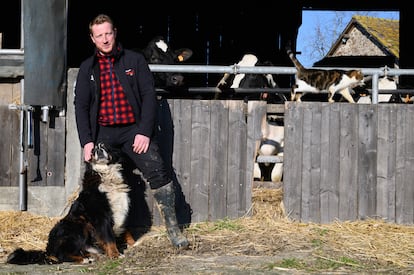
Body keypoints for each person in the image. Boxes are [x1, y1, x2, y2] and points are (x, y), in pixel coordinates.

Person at [73, 14, 189, 249]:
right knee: (97, 183)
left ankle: (174, 229)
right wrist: (86, 141)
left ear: (114, 32)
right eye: (99, 36)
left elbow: (148, 96)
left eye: (108, 33)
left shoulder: (134, 61)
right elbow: (81, 106)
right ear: (92, 39)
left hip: (133, 131)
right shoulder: (88, 68)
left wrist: (144, 132)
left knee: (158, 170)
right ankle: (103, 237)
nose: (105, 39)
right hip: (103, 133)